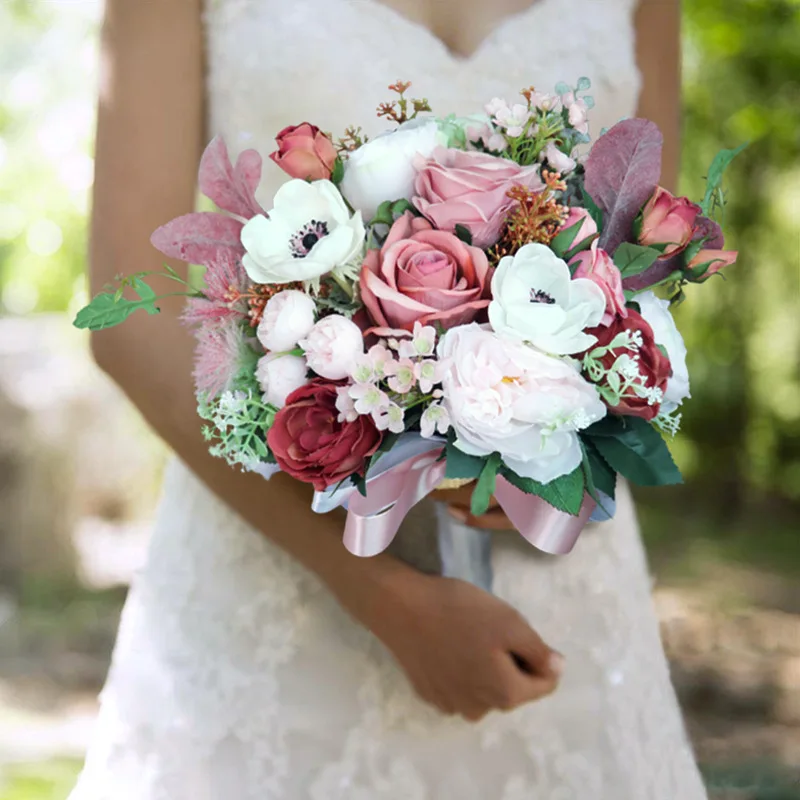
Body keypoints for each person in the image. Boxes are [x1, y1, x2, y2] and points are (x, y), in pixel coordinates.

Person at [71, 0, 707, 797]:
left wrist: (545, 442)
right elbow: (130, 322)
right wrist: (379, 593)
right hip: (274, 574)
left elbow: (646, 266)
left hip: (556, 567)